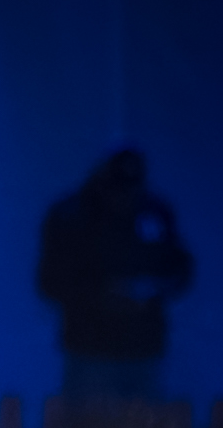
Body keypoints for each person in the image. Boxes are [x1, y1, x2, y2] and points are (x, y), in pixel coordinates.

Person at [36, 146, 194, 403]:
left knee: (144, 424)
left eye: (132, 188)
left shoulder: (154, 213)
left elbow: (179, 267)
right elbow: (51, 281)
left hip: (143, 347)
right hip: (91, 349)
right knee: (90, 424)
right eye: (118, 188)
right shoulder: (72, 216)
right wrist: (102, 295)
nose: (124, 197)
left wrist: (154, 289)